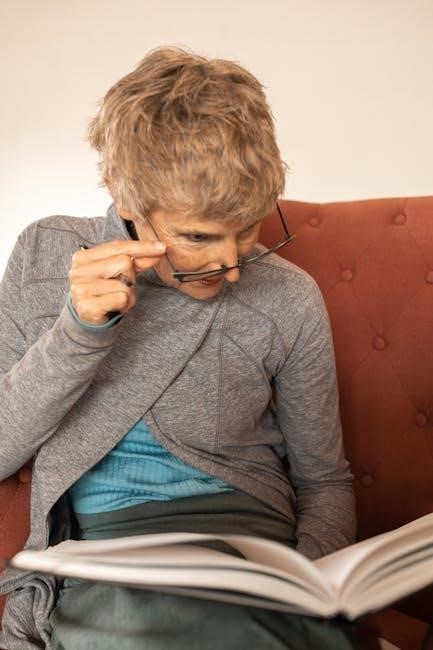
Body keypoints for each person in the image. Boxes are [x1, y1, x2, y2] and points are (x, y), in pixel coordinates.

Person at [0, 47, 360, 649]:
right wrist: (79, 332)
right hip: (111, 564)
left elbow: (325, 482)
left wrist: (315, 587)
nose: (232, 265)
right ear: (129, 201)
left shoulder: (290, 295)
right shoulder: (46, 252)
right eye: (198, 236)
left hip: (253, 551)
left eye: (247, 229)